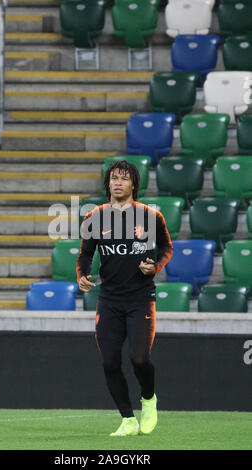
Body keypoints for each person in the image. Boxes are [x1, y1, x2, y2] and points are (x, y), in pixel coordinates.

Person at [76, 160, 173, 436]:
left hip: (140, 298)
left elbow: (166, 247)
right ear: (107, 183)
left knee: (139, 359)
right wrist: (82, 275)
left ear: (134, 184)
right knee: (109, 361)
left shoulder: (150, 216)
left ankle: (149, 399)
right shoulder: (95, 217)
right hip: (109, 299)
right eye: (114, 178)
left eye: (124, 178)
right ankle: (128, 420)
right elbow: (85, 254)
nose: (118, 182)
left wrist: (154, 267)